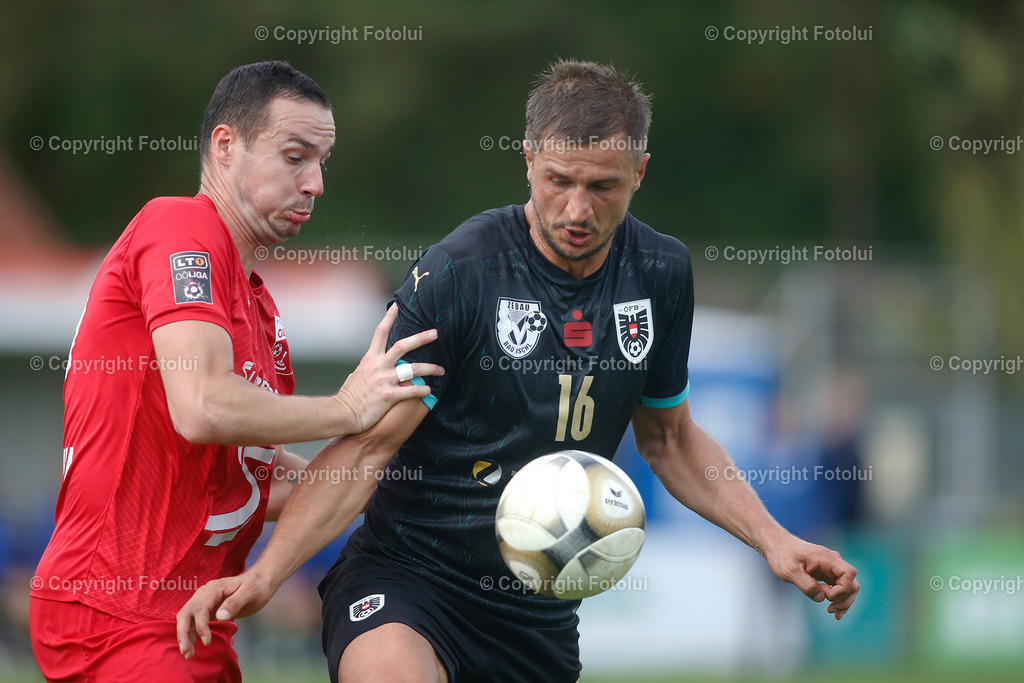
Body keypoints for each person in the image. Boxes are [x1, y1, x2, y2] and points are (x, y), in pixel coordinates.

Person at [177, 59, 859, 682]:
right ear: (528, 160)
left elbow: (671, 438)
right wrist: (268, 574)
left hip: (537, 612)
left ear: (640, 172)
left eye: (603, 187)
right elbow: (369, 445)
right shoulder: (461, 274)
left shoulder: (660, 274)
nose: (577, 209)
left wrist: (776, 541)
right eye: (558, 181)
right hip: (407, 578)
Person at [29, 61, 442, 682]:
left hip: (192, 620)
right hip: (116, 611)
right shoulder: (179, 224)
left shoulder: (257, 306)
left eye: (322, 162)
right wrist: (348, 409)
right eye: (296, 157)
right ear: (226, 147)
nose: (316, 184)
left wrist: (393, 486)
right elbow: (202, 408)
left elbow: (248, 479)